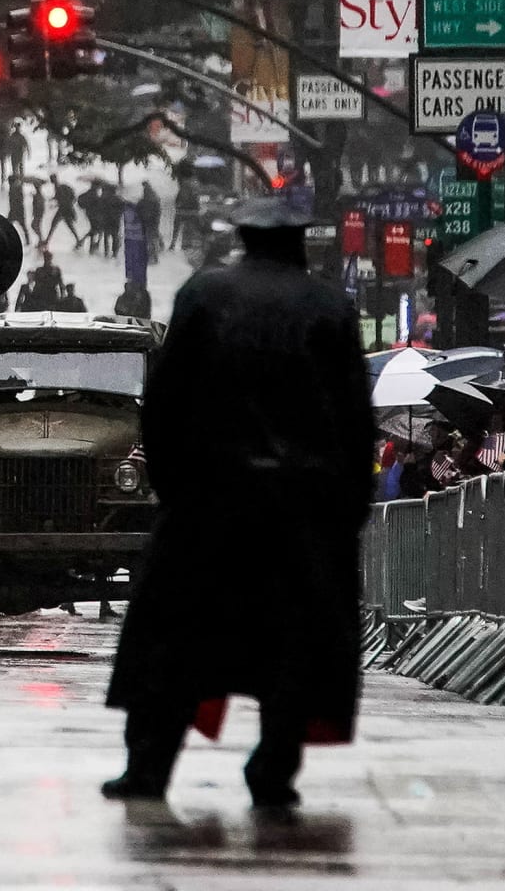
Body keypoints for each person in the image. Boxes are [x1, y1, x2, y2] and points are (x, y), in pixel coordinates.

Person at [101, 197, 373, 808]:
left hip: (208, 501)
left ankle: (148, 766)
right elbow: (355, 417)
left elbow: (163, 401)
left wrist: (173, 488)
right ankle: (274, 768)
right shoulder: (329, 305)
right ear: (299, 243)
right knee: (294, 646)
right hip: (302, 507)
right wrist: (346, 506)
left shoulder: (203, 294)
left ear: (244, 240)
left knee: (174, 640)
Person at [47, 175, 81, 247]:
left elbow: (61, 199)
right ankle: (78, 241)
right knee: (68, 225)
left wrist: (55, 202)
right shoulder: (62, 186)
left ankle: (47, 241)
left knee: (54, 224)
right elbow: (61, 198)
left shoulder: (60, 187)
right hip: (66, 209)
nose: (53, 182)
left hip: (64, 209)